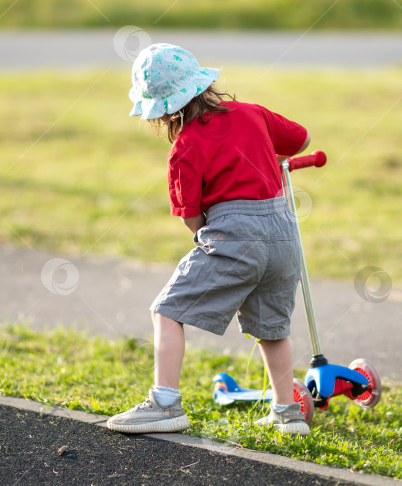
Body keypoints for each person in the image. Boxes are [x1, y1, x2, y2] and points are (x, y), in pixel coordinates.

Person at [106, 43, 312, 436]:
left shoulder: (184, 148)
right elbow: (300, 139)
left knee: (166, 310)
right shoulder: (252, 113)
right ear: (201, 84)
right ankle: (288, 414)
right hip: (284, 233)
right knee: (273, 328)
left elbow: (191, 217)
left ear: (162, 111)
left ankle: (165, 404)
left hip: (234, 235)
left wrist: (217, 234)